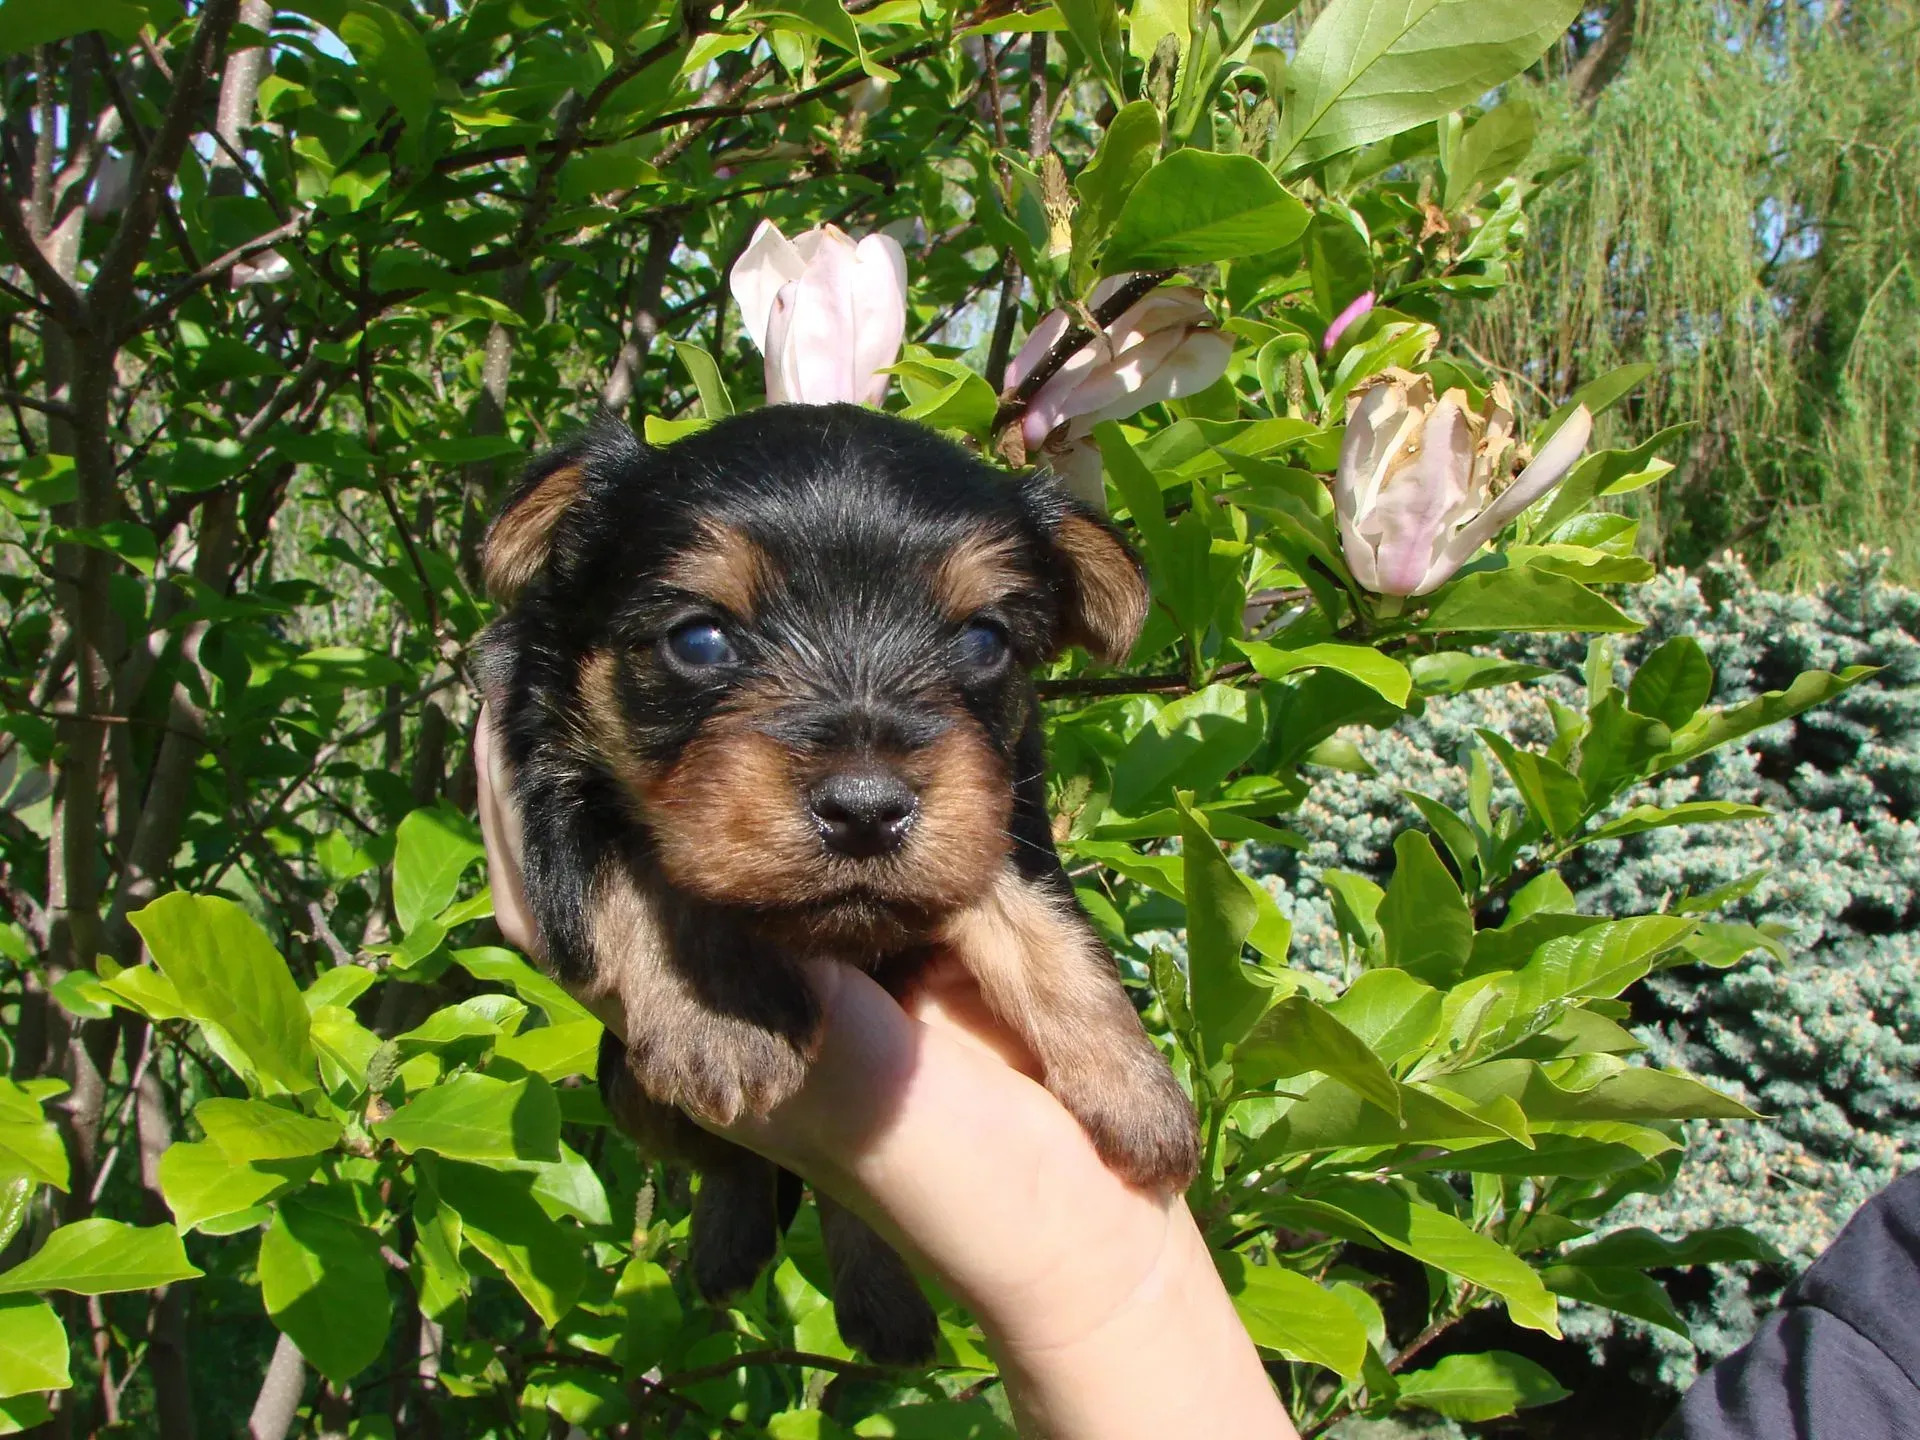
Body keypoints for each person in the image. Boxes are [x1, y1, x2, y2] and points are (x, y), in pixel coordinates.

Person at [475, 710, 1299, 1440]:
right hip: (692, 1006)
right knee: (654, 1096)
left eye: (975, 640)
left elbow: (1020, 873)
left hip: (903, 995)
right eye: (702, 639)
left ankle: (834, 1208)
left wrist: (1089, 1056)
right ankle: (734, 1173)